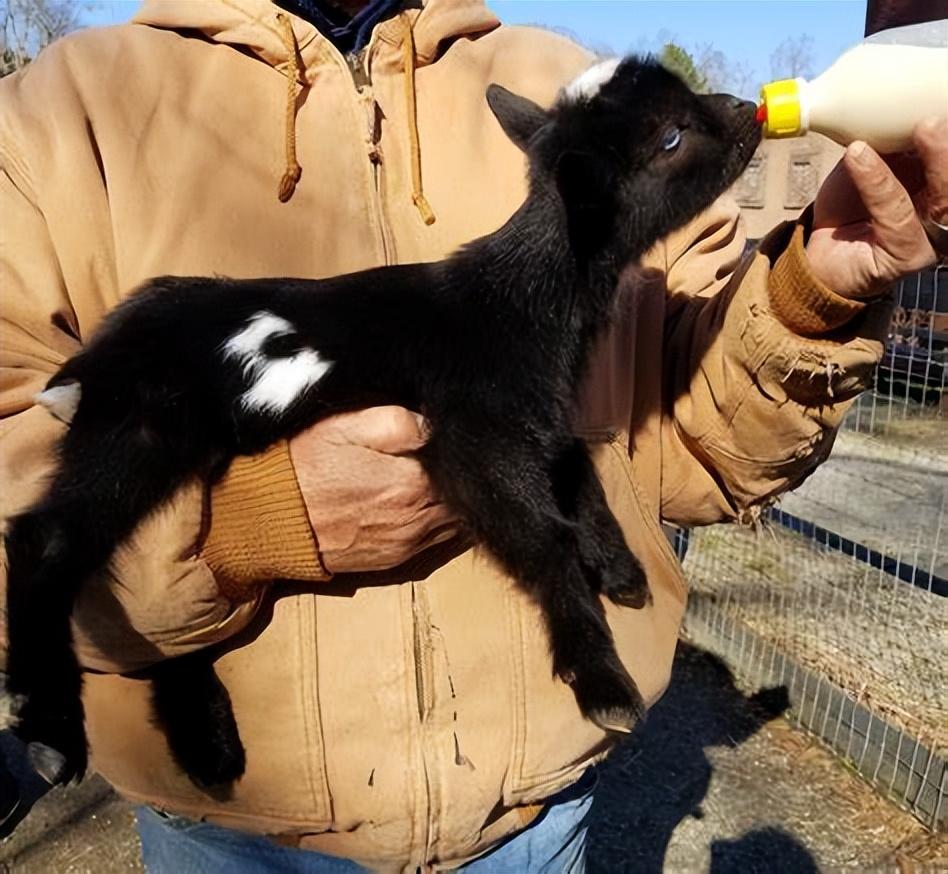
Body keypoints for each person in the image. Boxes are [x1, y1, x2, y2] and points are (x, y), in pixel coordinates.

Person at [0, 0, 944, 870]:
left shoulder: (563, 77)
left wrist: (814, 293)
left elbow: (692, 435)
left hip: (532, 825)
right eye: (671, 135)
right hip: (238, 840)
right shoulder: (62, 118)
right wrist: (251, 527)